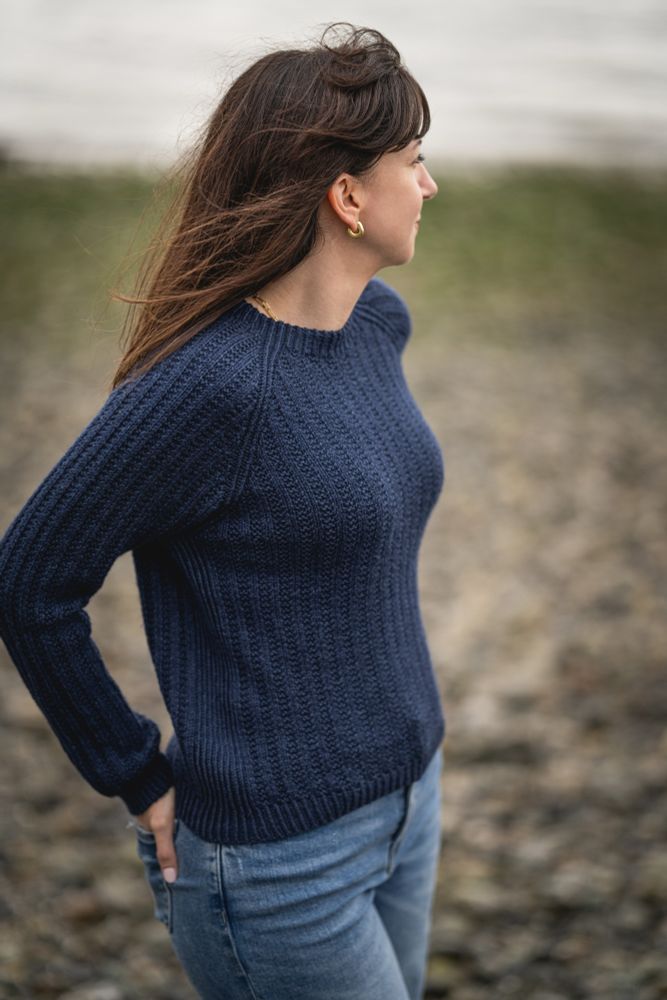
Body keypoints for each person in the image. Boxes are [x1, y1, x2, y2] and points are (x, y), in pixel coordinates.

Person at [0, 21, 446, 1000]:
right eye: (412, 161)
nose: (429, 185)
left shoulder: (378, 324)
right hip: (280, 865)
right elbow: (29, 579)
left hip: (413, 804)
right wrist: (135, 771)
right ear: (346, 198)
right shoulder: (202, 390)